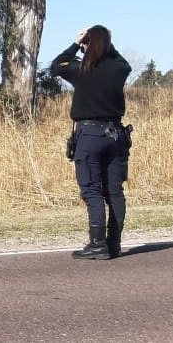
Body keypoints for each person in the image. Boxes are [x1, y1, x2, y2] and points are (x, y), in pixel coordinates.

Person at [51, 25, 132, 260]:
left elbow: (57, 65)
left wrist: (77, 43)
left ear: (88, 44)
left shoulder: (82, 68)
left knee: (92, 190)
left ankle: (98, 245)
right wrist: (107, 45)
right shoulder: (118, 69)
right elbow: (126, 64)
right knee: (115, 192)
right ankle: (113, 244)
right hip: (116, 135)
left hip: (90, 135)